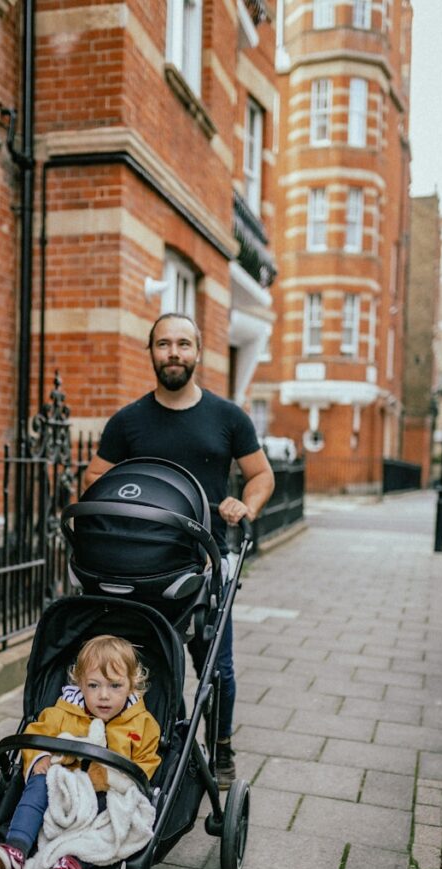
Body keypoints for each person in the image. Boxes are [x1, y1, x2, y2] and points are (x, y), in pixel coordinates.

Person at [83, 312, 274, 788]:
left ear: (198, 352)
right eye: (164, 344)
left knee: (218, 668)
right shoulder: (128, 421)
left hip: (206, 562)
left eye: (183, 344)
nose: (174, 353)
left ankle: (222, 748)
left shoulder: (228, 417)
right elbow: (92, 478)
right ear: (150, 352)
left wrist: (243, 503)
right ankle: (160, 741)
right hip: (144, 565)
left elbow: (262, 475)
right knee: (149, 660)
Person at [0, 634, 161, 869]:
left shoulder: (143, 724)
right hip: (62, 794)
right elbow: (36, 735)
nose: (104, 696)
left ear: (133, 684)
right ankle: (15, 851)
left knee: (121, 814)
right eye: (94, 686)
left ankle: (73, 863)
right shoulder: (61, 713)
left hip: (104, 798)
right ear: (80, 684)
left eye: (115, 686)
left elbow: (145, 767)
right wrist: (39, 758)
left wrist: (110, 778)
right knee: (40, 782)